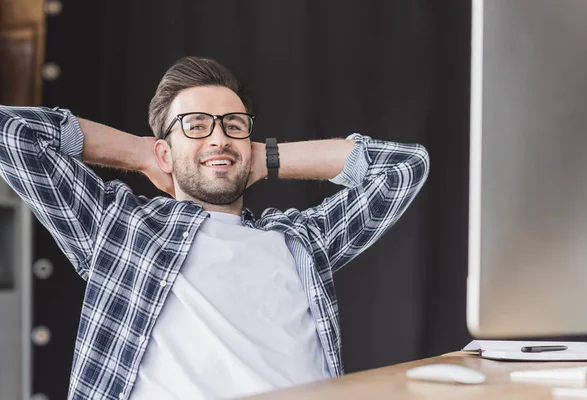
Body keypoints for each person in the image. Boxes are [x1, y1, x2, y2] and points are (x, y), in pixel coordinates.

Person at [0, 57, 429, 400]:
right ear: (165, 151)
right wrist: (141, 153)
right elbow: (11, 134)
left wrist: (270, 159)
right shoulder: (122, 228)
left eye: (234, 126)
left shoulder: (300, 239)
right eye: (196, 125)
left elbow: (404, 168)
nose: (218, 139)